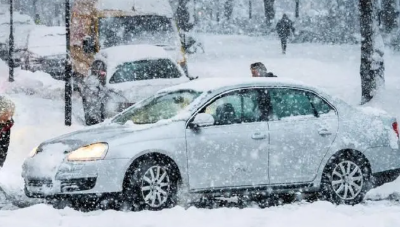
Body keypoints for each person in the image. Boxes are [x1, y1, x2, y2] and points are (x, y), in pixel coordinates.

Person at [0, 95, 15, 167]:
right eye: (6, 114)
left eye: (11, 114)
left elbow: (4, 146)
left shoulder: (6, 126)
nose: (9, 117)